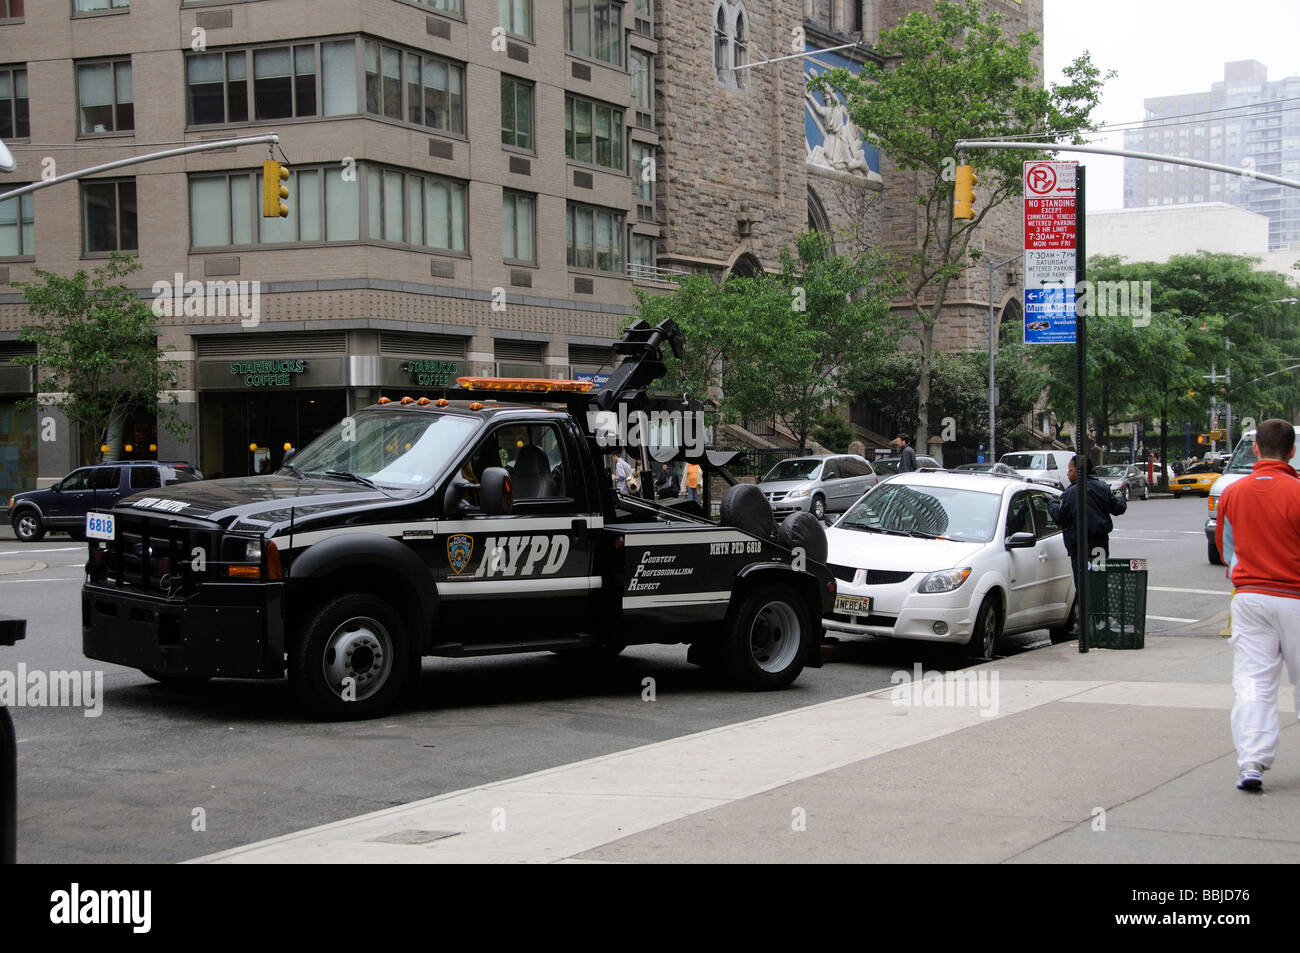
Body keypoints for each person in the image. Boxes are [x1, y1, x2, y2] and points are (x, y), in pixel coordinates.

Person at [1214, 418, 1300, 792]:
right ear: (1292, 453)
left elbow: (1225, 550)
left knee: (1252, 682)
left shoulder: (1233, 493)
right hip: (1295, 597)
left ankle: (1251, 761)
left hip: (1249, 597)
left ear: (1256, 449)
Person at [1049, 456, 1128, 582]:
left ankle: (1084, 600)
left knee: (1082, 583)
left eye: (1070, 470)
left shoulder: (1070, 493)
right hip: (1099, 544)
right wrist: (1120, 496)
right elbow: (1119, 508)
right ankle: (1098, 601)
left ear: (1078, 471)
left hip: (1078, 546)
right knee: (1098, 581)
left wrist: (1052, 503)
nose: (1068, 474)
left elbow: (1059, 517)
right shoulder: (1102, 488)